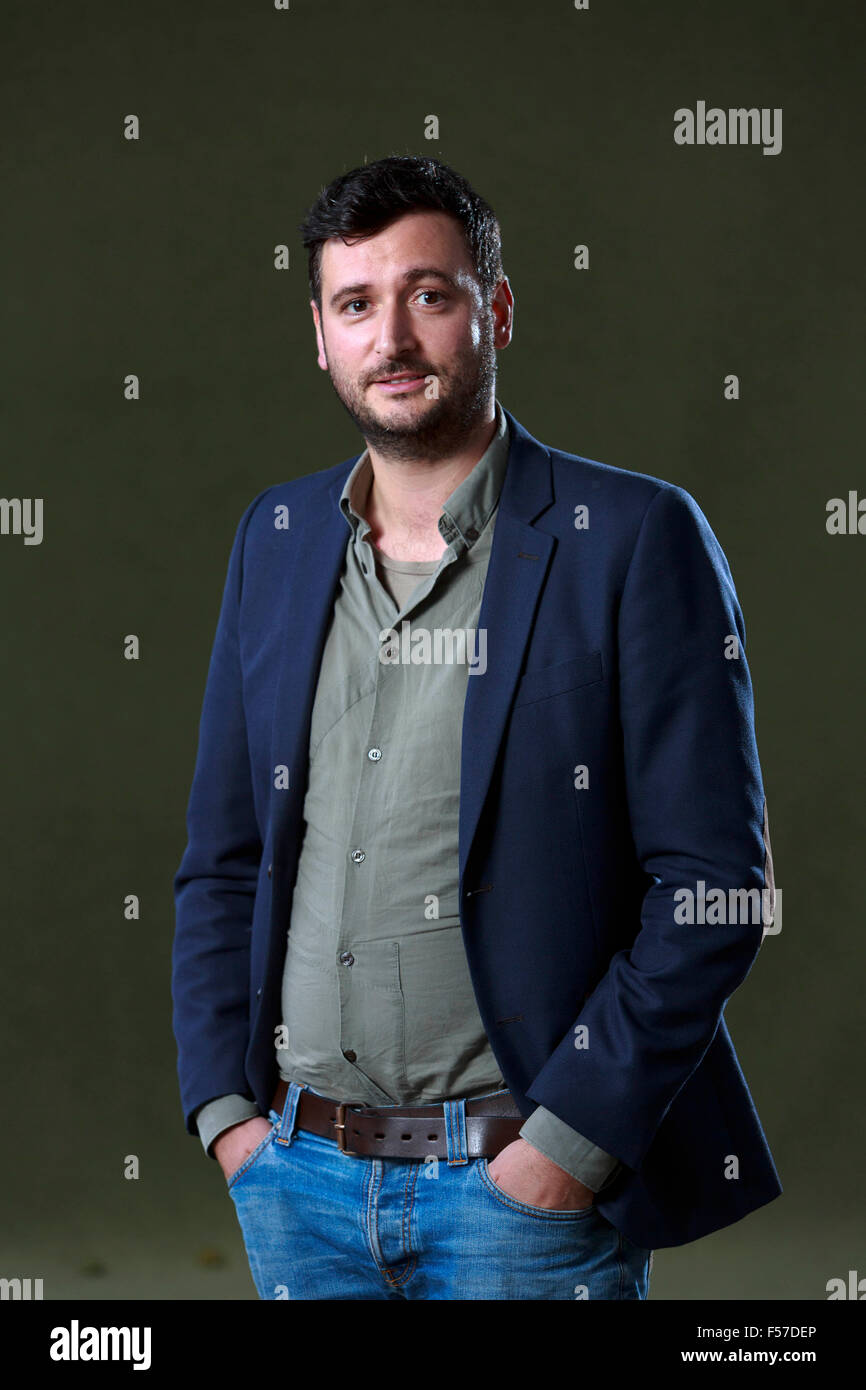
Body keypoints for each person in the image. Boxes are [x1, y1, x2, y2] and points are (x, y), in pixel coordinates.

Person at [172, 154, 781, 1300]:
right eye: (356, 304)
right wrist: (227, 1119)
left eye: (429, 295)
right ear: (319, 333)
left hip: (517, 1194)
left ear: (494, 309)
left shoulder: (631, 538)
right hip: (296, 1180)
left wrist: (563, 1152)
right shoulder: (278, 536)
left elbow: (714, 886)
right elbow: (224, 860)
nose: (390, 337)